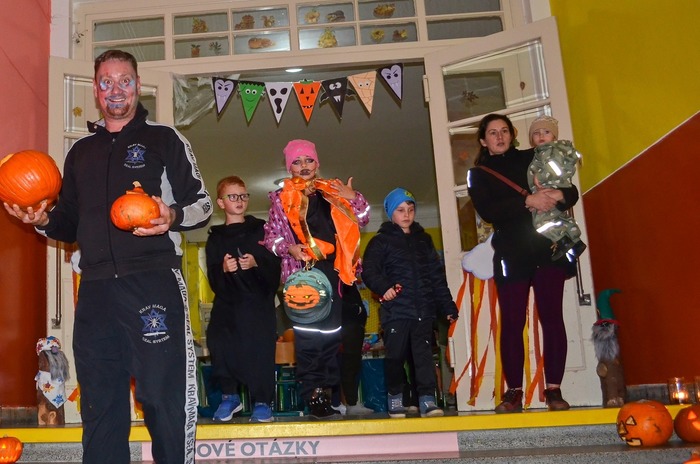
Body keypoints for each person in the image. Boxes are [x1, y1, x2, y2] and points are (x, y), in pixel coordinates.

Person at [4, 49, 212, 462]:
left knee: (163, 396)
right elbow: (69, 224)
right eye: (106, 82)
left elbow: (202, 205)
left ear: (138, 86)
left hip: (152, 281)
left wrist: (170, 216)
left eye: (125, 80)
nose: (116, 89)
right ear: (96, 90)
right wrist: (41, 219)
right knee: (100, 404)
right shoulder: (81, 152)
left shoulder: (165, 139)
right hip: (96, 290)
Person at [466, 113, 578, 413]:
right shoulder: (478, 174)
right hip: (511, 256)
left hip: (548, 250)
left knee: (552, 318)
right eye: (493, 133)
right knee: (513, 323)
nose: (499, 136)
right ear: (483, 140)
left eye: (504, 131)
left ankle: (554, 390)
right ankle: (513, 392)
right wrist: (528, 200)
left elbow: (570, 191)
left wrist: (559, 194)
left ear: (512, 134)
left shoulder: (534, 156)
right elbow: (489, 211)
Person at [263, 139, 370, 419]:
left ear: (317, 163)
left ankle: (329, 394)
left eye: (308, 160)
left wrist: (353, 196)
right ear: (289, 167)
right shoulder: (280, 199)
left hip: (335, 274)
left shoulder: (332, 190)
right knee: (309, 340)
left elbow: (363, 219)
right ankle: (315, 396)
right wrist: (289, 248)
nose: (304, 166)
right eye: (297, 162)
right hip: (302, 275)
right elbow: (271, 238)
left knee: (331, 338)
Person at [361, 188, 458, 418]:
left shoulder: (424, 241)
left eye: (411, 209)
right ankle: (396, 396)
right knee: (395, 356)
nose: (406, 215)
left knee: (423, 357)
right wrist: (384, 287)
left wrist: (447, 306)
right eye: (400, 210)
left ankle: (427, 399)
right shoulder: (380, 241)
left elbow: (436, 277)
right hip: (396, 311)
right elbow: (369, 271)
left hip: (423, 310)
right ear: (390, 213)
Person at [205, 176, 281, 423]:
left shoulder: (262, 230)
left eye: (243, 196)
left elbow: (275, 266)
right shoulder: (215, 237)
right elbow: (213, 277)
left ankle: (262, 402)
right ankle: (229, 397)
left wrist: (257, 263)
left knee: (259, 351)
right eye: (232, 196)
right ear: (221, 202)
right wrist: (223, 269)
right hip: (227, 305)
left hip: (257, 305)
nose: (239, 201)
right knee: (220, 344)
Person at [527, 115, 586, 260]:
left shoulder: (550, 151)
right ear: (531, 139)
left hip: (551, 188)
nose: (541, 136)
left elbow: (554, 169)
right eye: (536, 133)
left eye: (546, 132)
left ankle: (562, 241)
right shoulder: (542, 152)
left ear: (554, 136)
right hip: (547, 190)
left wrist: (539, 177)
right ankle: (576, 242)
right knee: (560, 218)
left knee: (540, 222)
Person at [337, 283, 375, 415]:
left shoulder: (349, 280)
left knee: (353, 363)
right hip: (347, 325)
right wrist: (356, 309)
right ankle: (347, 402)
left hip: (353, 325)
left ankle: (349, 402)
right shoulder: (339, 277)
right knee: (348, 363)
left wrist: (360, 312)